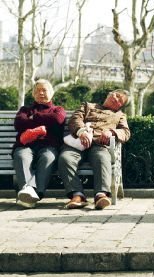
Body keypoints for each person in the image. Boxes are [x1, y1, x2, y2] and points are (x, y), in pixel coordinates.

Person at [58, 89, 130, 210]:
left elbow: (125, 132)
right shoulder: (87, 105)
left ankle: (100, 195)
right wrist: (81, 132)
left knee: (102, 158)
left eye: (120, 100)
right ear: (109, 94)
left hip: (99, 145)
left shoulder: (120, 116)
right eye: (116, 95)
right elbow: (75, 119)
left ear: (120, 106)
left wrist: (111, 132)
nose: (116, 99)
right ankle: (77, 195)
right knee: (65, 158)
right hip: (78, 142)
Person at [13, 79, 66, 208]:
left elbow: (57, 120)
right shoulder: (25, 109)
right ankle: (28, 190)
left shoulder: (57, 109)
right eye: (37, 91)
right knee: (21, 156)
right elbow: (19, 123)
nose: (41, 93)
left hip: (48, 146)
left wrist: (33, 118)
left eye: (44, 90)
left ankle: (35, 193)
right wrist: (43, 121)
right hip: (26, 145)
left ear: (51, 93)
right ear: (33, 94)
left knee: (48, 158)